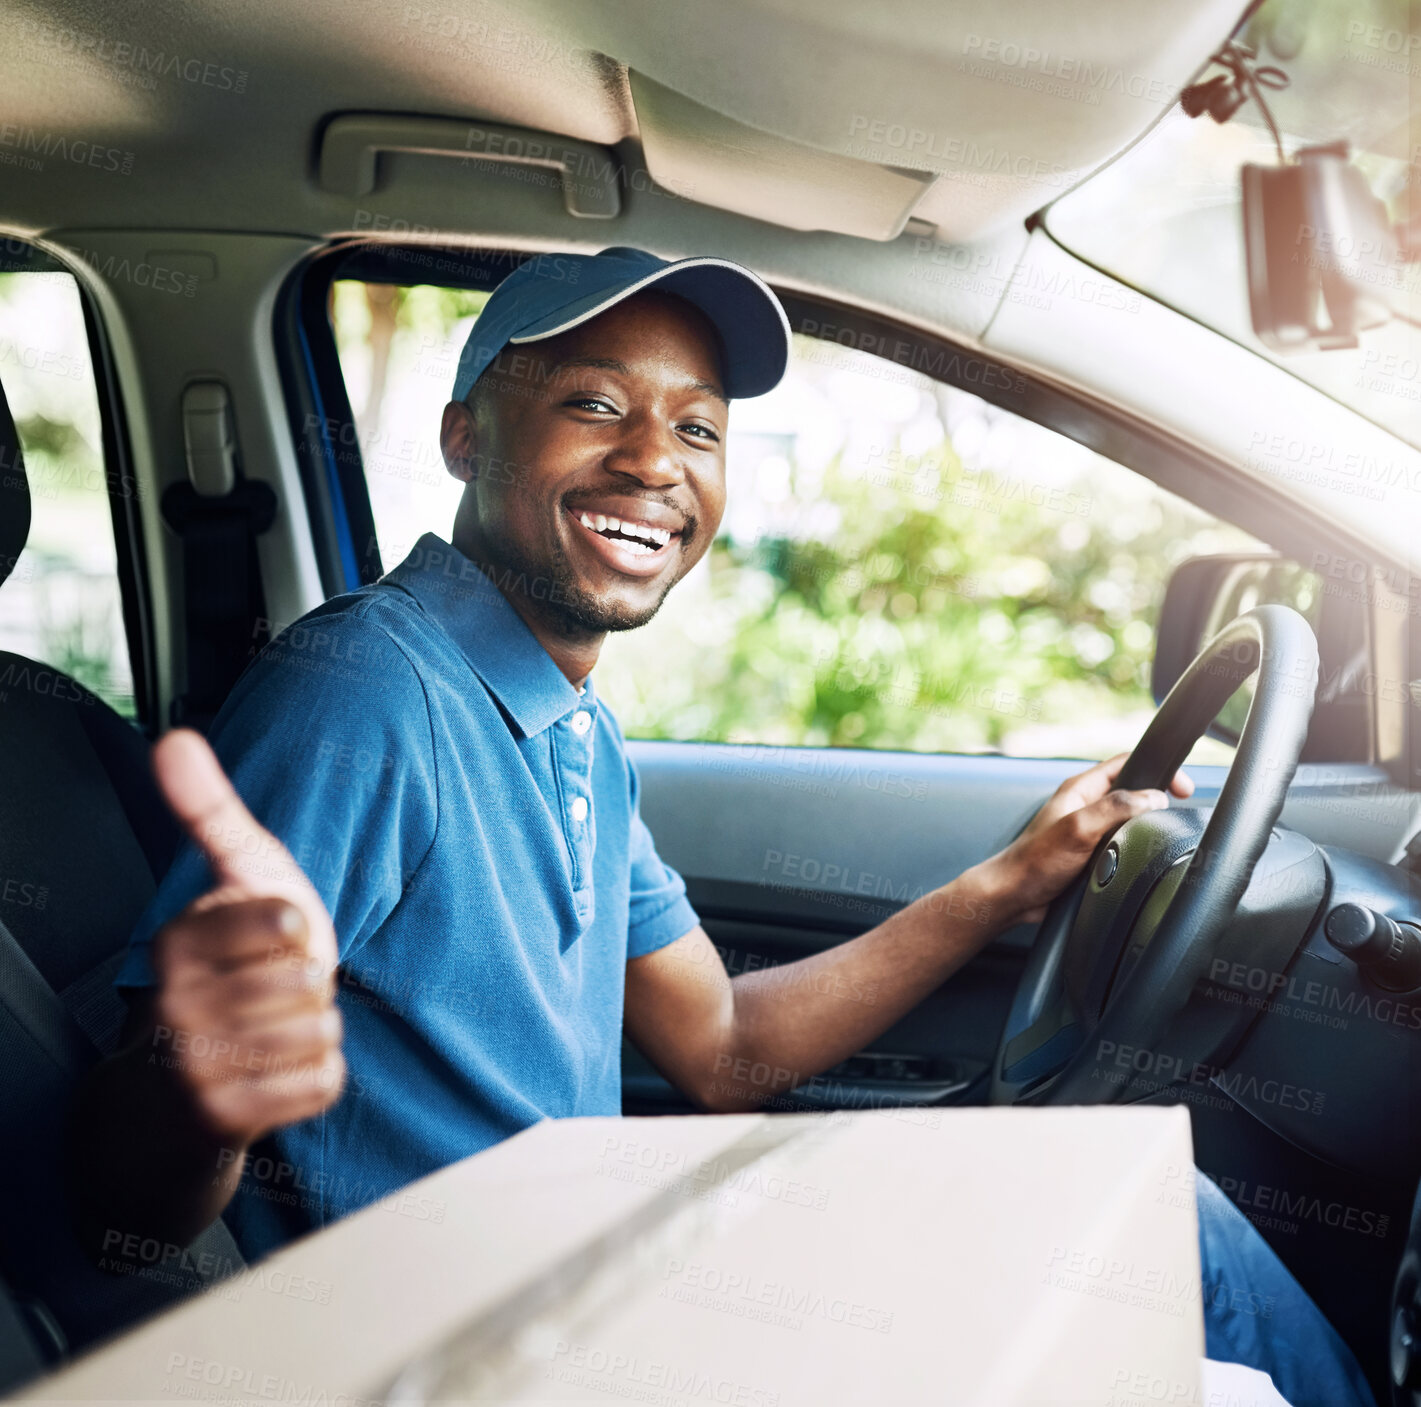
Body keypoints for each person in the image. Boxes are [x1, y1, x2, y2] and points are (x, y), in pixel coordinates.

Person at [70, 247, 1373, 1407]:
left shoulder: (568, 722)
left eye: (697, 428)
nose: (652, 460)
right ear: (466, 436)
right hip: (473, 1342)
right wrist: (202, 1073)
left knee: (1156, 1219)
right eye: (592, 403)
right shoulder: (362, 695)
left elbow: (726, 1048)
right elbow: (129, 1206)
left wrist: (1010, 881)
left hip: (588, 1264)